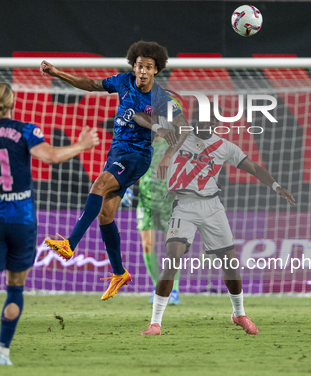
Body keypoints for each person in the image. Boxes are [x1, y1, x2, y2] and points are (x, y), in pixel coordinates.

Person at [0, 82, 99, 365]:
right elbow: (52, 157)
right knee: (16, 288)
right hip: (23, 221)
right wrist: (82, 145)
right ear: (13, 102)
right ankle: (2, 352)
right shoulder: (25, 130)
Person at [40, 40, 188, 300]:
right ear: (134, 65)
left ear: (156, 70)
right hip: (116, 153)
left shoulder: (163, 99)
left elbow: (183, 129)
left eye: (148, 67)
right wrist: (57, 73)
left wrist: (166, 156)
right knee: (105, 215)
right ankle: (119, 273)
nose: (142, 70)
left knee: (98, 186)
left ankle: (69, 244)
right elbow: (91, 84)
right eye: (139, 65)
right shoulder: (123, 82)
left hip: (137, 156)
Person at [141, 112, 296, 336]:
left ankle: (239, 313)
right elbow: (140, 117)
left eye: (215, 120)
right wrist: (164, 126)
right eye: (207, 119)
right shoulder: (179, 136)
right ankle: (155, 323)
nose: (212, 123)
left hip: (212, 208)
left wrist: (277, 186)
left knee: (230, 263)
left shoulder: (225, 147)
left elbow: (253, 167)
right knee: (172, 259)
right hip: (183, 205)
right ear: (197, 121)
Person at [136, 134, 180, 305]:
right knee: (147, 245)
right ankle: (157, 287)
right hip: (145, 201)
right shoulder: (140, 143)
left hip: (167, 201)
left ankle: (173, 288)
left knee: (173, 247)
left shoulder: (173, 145)